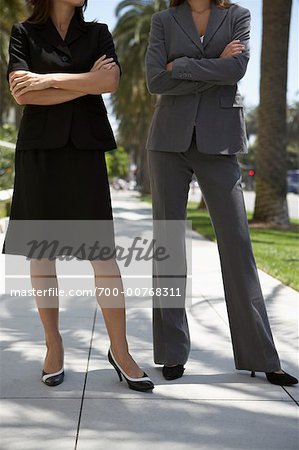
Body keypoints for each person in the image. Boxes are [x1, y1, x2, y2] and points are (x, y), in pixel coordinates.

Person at [3, 0, 154, 392]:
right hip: (40, 152)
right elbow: (23, 95)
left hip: (85, 152)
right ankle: (53, 346)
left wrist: (48, 80)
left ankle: (120, 351)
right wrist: (82, 80)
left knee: (103, 255)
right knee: (42, 253)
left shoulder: (98, 33)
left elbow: (108, 83)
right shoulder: (24, 33)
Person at [145, 0, 298, 386]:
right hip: (167, 142)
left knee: (237, 245)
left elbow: (237, 69)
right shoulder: (162, 20)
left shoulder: (238, 16)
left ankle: (262, 356)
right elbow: (153, 80)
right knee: (168, 246)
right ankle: (172, 352)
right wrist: (214, 64)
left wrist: (179, 66)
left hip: (221, 140)